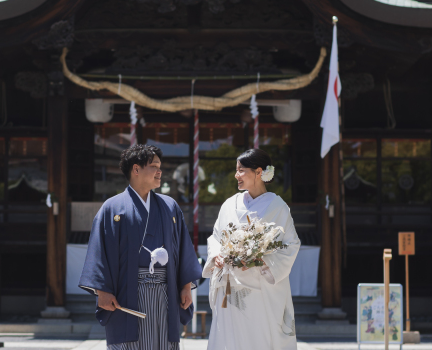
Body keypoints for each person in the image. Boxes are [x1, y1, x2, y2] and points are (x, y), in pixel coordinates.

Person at [79, 144, 202, 350]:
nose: (160, 171)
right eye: (154, 166)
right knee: (128, 342)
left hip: (166, 291)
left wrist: (186, 286)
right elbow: (98, 251)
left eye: (160, 167)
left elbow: (183, 248)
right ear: (136, 169)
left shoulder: (170, 206)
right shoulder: (112, 208)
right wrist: (102, 291)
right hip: (126, 292)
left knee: (164, 342)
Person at [203, 148, 301, 350]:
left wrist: (263, 260)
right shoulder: (229, 204)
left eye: (241, 170)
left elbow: (291, 245)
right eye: (236, 170)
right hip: (230, 285)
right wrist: (217, 256)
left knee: (258, 337)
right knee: (230, 338)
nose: (236, 175)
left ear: (258, 172)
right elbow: (216, 236)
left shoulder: (278, 206)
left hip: (260, 286)